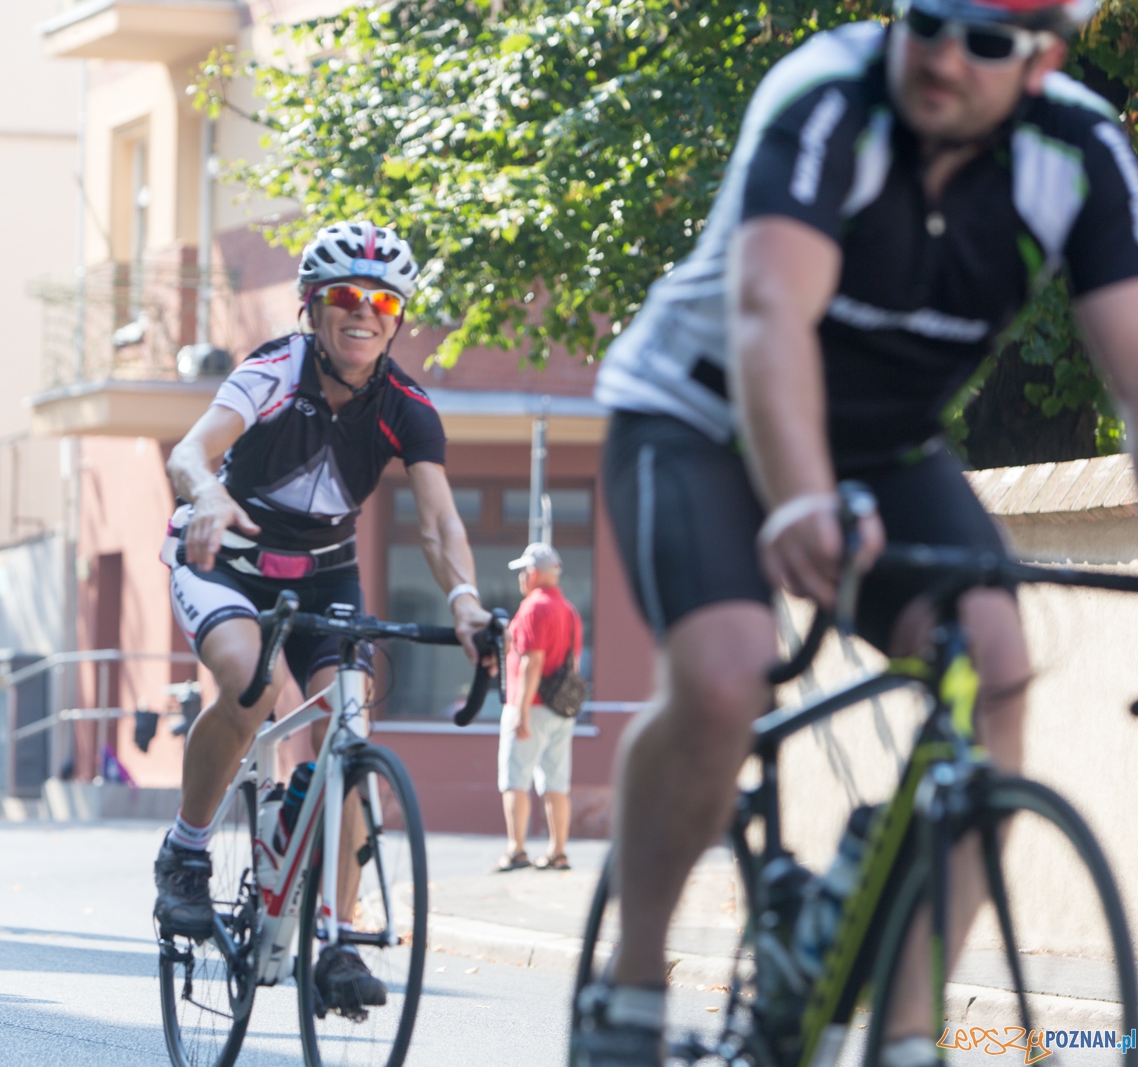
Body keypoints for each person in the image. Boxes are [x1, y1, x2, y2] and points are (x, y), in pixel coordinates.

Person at [580, 0, 1138, 1063]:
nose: (941, 57)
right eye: (928, 20)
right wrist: (792, 496)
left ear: (1041, 64)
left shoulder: (1078, 153)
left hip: (881, 445)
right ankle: (634, 982)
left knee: (1000, 664)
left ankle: (903, 1027)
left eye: (983, 43)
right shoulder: (825, 95)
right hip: (700, 413)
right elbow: (765, 315)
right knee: (726, 675)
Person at [155, 219, 492, 1013]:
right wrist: (206, 495)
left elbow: (440, 524)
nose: (363, 312)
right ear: (314, 305)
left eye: (382, 299)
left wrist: (467, 600)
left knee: (348, 729)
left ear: (398, 316)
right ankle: (186, 850)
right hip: (225, 560)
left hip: (325, 576)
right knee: (253, 685)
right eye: (346, 295)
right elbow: (189, 452)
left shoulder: (408, 406)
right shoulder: (274, 369)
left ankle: (337, 940)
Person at [495, 542, 582, 874]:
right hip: (562, 709)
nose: (521, 576)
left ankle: (516, 849)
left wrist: (521, 709)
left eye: (524, 570)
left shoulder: (533, 608)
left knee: (516, 778)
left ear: (533, 573)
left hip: (532, 704)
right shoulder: (570, 611)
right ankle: (557, 852)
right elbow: (570, 663)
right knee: (556, 782)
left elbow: (533, 661)